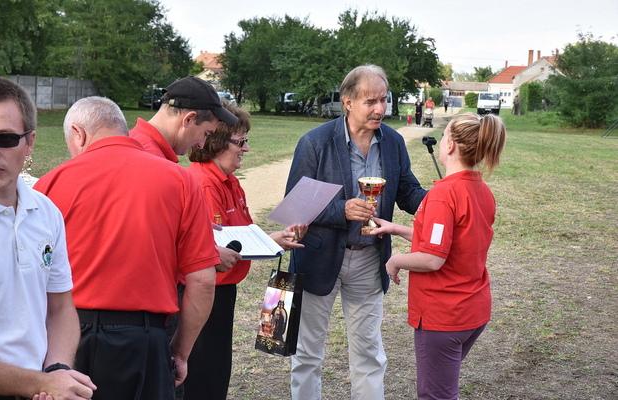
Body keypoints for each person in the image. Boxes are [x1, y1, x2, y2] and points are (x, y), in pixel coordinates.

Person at [34, 96, 219, 400]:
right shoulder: (182, 181)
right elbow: (203, 281)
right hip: (144, 341)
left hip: (64, 341)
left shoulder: (49, 184)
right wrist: (179, 352)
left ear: (78, 134)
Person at [285, 64, 427, 400]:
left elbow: (407, 190)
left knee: (369, 353)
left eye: (384, 100)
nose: (381, 109)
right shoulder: (315, 142)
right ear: (347, 102)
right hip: (318, 258)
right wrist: (342, 210)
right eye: (371, 101)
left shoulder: (393, 142)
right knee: (307, 354)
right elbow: (295, 207)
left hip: (369, 259)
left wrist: (442, 202)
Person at [372, 112, 507, 400]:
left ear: (450, 145)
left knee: (436, 395)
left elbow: (433, 258)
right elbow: (450, 241)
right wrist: (395, 229)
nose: (443, 140)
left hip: (443, 316)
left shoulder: (443, 194)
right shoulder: (481, 190)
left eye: (445, 135)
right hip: (473, 311)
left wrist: (395, 261)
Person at [182, 101, 307, 400]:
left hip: (222, 291)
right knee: (202, 375)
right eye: (241, 142)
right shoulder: (203, 184)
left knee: (216, 371)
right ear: (216, 143)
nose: (246, 149)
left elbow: (241, 235)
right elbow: (206, 247)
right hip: (203, 291)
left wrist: (274, 239)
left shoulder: (231, 182)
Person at [129, 77, 241, 399]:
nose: (201, 146)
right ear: (188, 119)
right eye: (205, 134)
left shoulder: (135, 147)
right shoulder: (161, 168)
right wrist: (180, 351)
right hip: (147, 314)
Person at [0, 77, 96, 400]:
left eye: (5, 139)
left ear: (29, 143)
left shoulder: (45, 212)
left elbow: (60, 307)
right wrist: (41, 383)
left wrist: (57, 369)